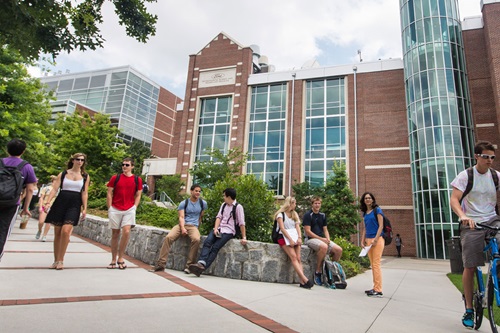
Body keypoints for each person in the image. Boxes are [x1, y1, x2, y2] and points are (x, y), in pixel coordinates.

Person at [450, 140, 500, 329]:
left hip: (492, 220)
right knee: (470, 265)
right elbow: (454, 200)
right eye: (486, 157)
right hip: (471, 222)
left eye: (492, 157)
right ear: (477, 156)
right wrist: (463, 216)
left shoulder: (496, 176)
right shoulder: (465, 176)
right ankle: (469, 308)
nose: (489, 161)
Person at [44, 153, 90, 270]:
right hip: (61, 202)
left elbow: (84, 192)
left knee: (66, 231)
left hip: (74, 204)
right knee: (57, 232)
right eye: (78, 159)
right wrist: (48, 202)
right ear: (73, 160)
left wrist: (84, 208)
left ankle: (61, 260)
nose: (80, 162)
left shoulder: (85, 176)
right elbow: (55, 189)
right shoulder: (64, 174)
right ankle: (55, 260)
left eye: (82, 160)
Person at [189, 188, 247, 277]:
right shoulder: (223, 205)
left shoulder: (238, 207)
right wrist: (216, 229)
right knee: (208, 242)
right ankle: (201, 262)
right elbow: (218, 217)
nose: (223, 197)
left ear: (229, 197)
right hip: (219, 229)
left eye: (224, 195)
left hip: (229, 231)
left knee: (215, 247)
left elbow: (241, 223)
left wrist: (244, 237)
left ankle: (202, 267)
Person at [150, 184, 207, 273]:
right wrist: (183, 228)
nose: (198, 193)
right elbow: (181, 217)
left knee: (196, 239)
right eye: (196, 191)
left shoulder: (202, 203)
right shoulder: (184, 203)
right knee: (169, 238)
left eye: (199, 191)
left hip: (193, 226)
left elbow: (201, 217)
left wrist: (197, 229)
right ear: (191, 191)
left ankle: (189, 266)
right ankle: (161, 264)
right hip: (182, 225)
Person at [0, 139, 37, 261]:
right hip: (11, 204)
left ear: (7, 149)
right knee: (3, 231)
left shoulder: (0, 162)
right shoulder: (26, 167)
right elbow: (30, 189)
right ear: (23, 151)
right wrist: (25, 208)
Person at [106, 157, 143, 270]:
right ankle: (113, 259)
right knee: (115, 234)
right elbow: (109, 193)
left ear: (132, 166)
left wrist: (134, 207)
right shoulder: (115, 178)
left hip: (129, 209)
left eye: (127, 165)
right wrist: (110, 208)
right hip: (115, 208)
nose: (124, 167)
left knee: (126, 231)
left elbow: (138, 194)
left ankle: (120, 258)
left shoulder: (137, 180)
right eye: (123, 164)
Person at [303, 196, 343, 286]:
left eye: (319, 203)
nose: (317, 205)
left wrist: (328, 239)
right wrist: (322, 239)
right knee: (323, 247)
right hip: (310, 240)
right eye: (315, 203)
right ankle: (318, 272)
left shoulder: (323, 215)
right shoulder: (308, 215)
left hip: (322, 239)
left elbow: (325, 229)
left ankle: (332, 271)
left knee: (338, 250)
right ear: (312, 204)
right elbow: (308, 231)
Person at [275, 196, 313, 289]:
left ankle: (302, 282)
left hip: (294, 236)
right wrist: (290, 240)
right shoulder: (281, 215)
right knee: (293, 257)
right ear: (289, 203)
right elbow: (282, 229)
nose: (295, 205)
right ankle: (305, 279)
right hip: (284, 237)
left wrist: (299, 238)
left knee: (299, 258)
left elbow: (297, 227)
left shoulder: (294, 214)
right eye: (294, 203)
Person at [359, 192, 385, 297]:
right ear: (364, 200)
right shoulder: (365, 213)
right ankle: (375, 287)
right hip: (368, 241)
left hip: (377, 240)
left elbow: (381, 226)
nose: (368, 200)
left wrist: (376, 238)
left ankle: (378, 290)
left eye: (369, 198)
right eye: (366, 198)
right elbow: (365, 228)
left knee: (376, 264)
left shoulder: (377, 210)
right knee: (372, 265)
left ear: (373, 200)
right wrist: (362, 240)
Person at [36, 175, 57, 242]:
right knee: (41, 221)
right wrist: (40, 206)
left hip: (52, 207)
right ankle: (39, 230)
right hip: (44, 206)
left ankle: (44, 235)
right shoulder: (46, 188)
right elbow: (41, 198)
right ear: (52, 181)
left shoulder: (58, 190)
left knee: (48, 222)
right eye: (55, 182)